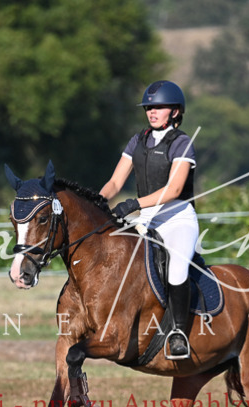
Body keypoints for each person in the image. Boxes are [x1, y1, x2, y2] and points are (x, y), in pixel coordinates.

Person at [100, 79, 198, 360]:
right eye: (148, 108)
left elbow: (174, 190)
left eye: (159, 107)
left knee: (176, 270)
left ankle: (179, 333)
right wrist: (96, 200)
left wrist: (133, 204)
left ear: (176, 112)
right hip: (146, 219)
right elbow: (116, 181)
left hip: (177, 219)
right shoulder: (138, 140)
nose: (152, 112)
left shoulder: (182, 143)